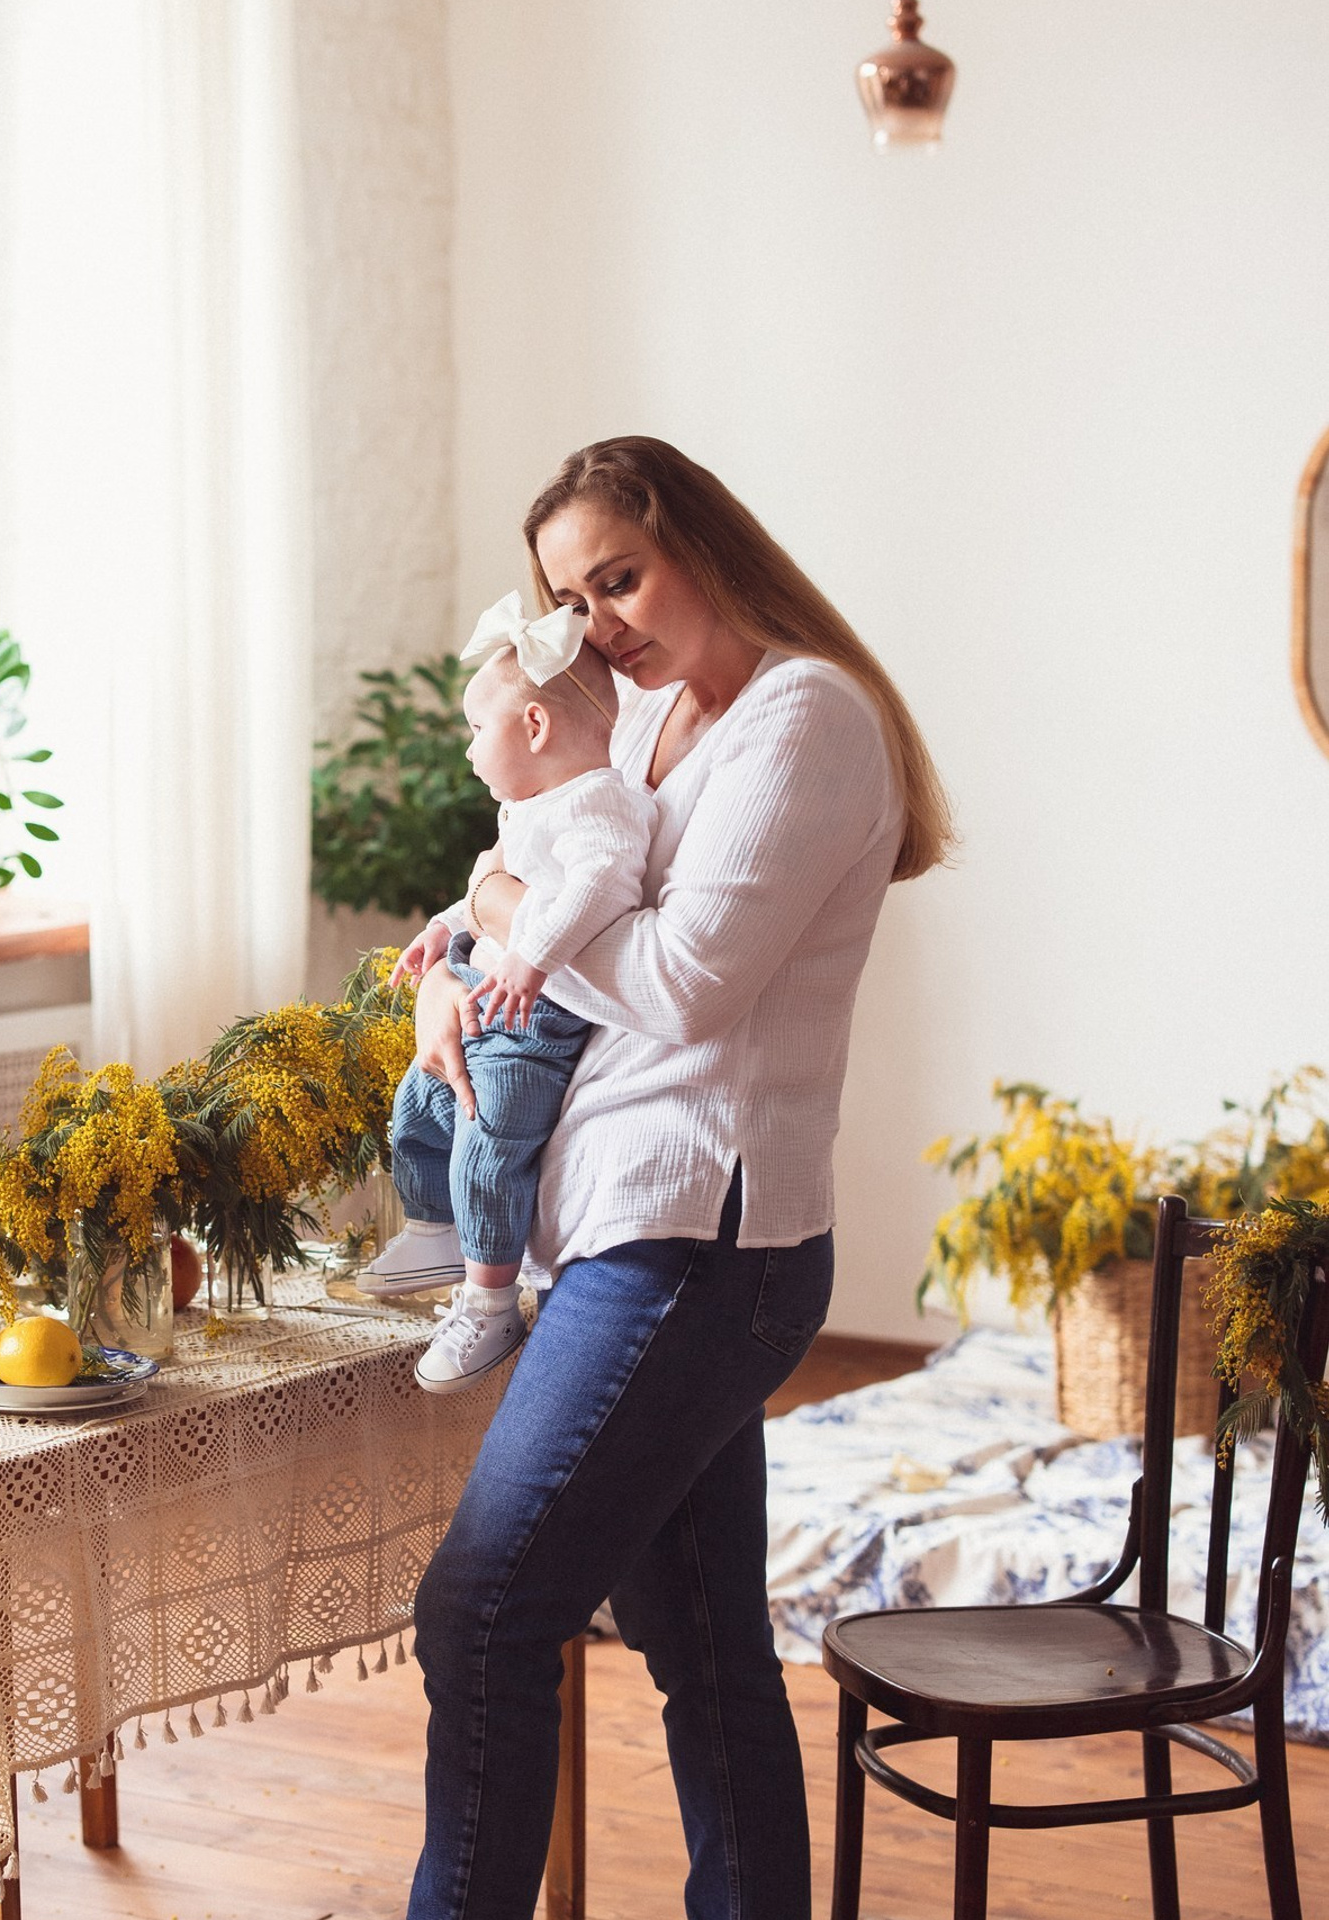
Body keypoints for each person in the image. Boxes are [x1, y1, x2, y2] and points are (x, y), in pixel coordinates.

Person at [402, 436, 952, 1920]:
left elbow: (688, 984)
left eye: (621, 577)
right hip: (623, 1234)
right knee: (703, 1651)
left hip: (705, 1242)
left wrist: (506, 914)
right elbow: (533, 869)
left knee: (482, 1612)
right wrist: (457, 956)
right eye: (572, 599)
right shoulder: (640, 717)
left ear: (703, 543)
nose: (600, 622)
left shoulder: (806, 717)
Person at [363, 591, 658, 1393]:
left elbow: (598, 889)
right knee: (417, 1111)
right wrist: (442, 929)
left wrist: (530, 958)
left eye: (475, 729)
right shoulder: (526, 808)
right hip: (485, 992)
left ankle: (490, 1302)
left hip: (534, 1019)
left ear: (534, 726)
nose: (467, 750)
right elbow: (490, 886)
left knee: (487, 1144)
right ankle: (434, 1230)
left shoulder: (600, 802)